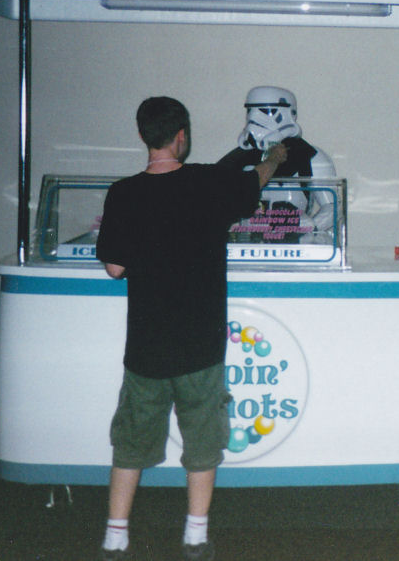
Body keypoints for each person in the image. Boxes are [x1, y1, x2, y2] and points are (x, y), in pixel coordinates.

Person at [95, 96, 287, 561]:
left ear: (143, 135)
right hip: (200, 346)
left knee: (131, 442)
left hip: (146, 347)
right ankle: (195, 537)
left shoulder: (123, 193)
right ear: (182, 136)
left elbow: (115, 268)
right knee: (202, 443)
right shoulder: (208, 183)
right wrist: (276, 158)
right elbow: (254, 181)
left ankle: (115, 538)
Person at [217, 86, 337, 243]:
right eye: (250, 111)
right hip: (248, 244)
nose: (254, 118)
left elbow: (333, 207)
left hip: (295, 246)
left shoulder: (310, 157)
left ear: (289, 114)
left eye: (266, 111)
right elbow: (215, 199)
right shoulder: (238, 158)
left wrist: (311, 227)